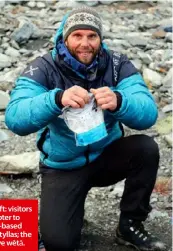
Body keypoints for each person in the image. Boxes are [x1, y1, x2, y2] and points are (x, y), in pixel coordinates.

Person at [5, 6, 166, 251]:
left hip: (106, 156)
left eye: (92, 36)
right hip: (64, 166)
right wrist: (55, 99)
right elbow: (15, 118)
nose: (85, 43)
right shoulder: (43, 67)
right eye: (77, 36)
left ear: (100, 39)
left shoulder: (116, 64)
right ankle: (64, 212)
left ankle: (130, 225)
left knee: (146, 147)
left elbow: (148, 113)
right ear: (64, 38)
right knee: (59, 243)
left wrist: (120, 101)